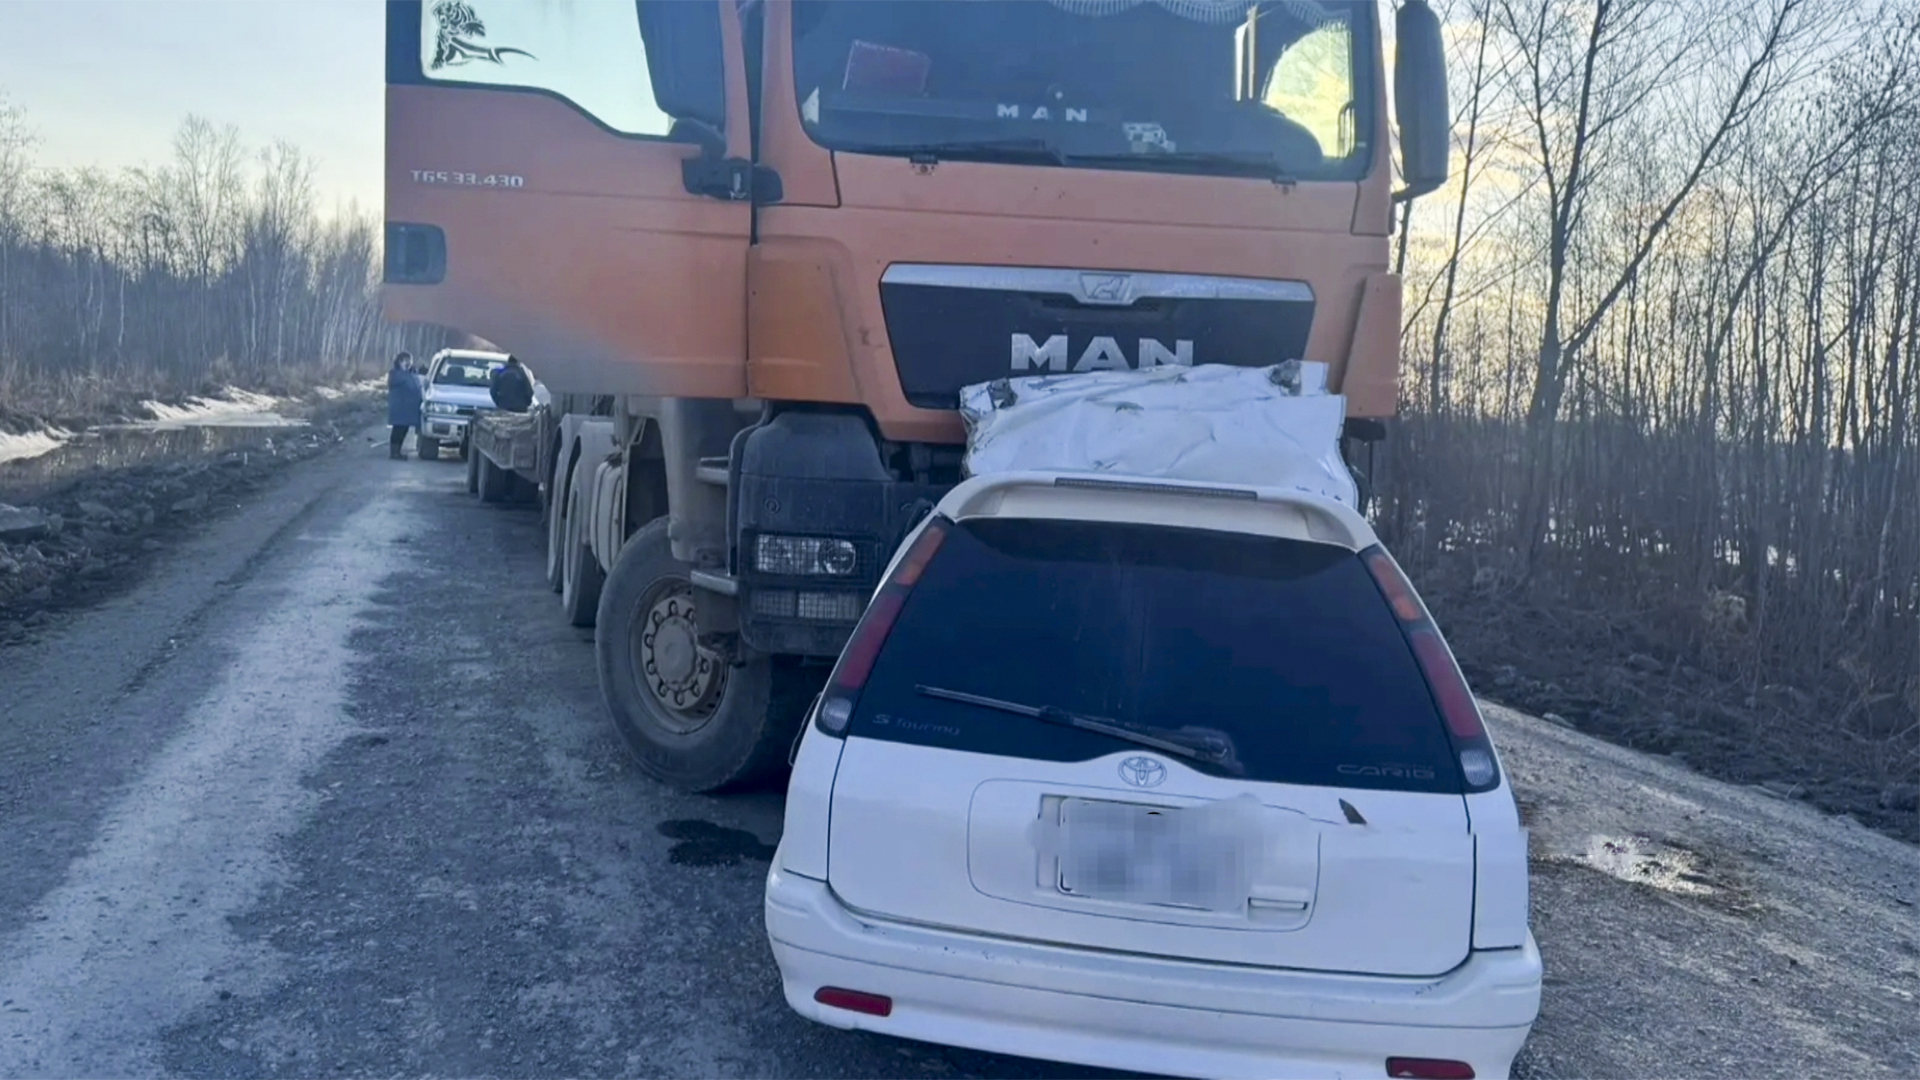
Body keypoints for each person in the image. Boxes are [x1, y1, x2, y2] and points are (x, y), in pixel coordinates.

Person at [387, 351, 425, 459]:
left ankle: (397, 452)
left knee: (404, 430)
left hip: (408, 409)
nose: (408, 363)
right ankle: (394, 453)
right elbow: (396, 382)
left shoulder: (411, 373)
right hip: (400, 407)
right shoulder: (395, 374)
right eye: (405, 361)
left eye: (409, 361)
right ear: (399, 362)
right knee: (398, 430)